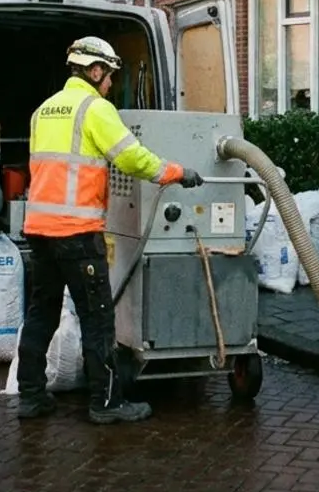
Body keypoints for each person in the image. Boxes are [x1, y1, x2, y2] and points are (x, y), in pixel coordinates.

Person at [16, 36, 202, 424]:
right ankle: (106, 403)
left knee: (41, 314)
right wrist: (176, 172)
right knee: (98, 319)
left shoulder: (43, 110)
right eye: (110, 75)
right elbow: (132, 158)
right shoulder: (95, 109)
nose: (111, 83)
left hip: (39, 231)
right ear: (95, 70)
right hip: (78, 235)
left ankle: (31, 396)